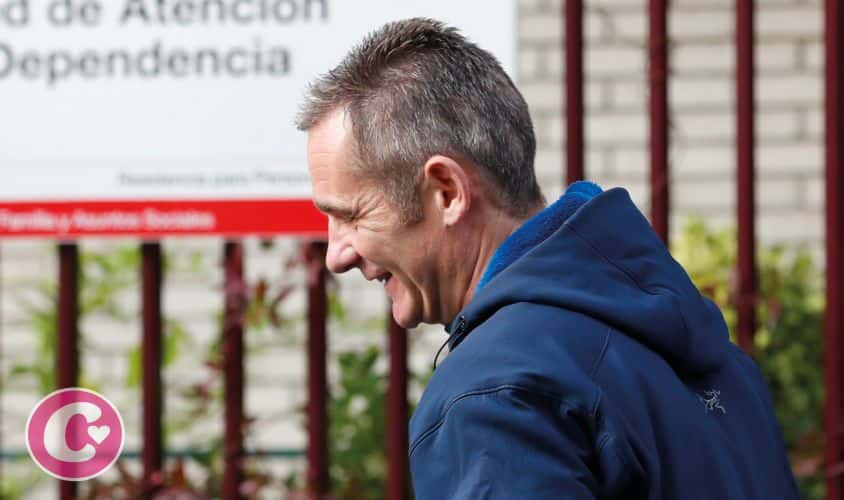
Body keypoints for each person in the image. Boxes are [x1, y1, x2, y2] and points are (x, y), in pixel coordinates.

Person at [296, 17, 801, 500]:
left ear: (447, 191)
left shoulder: (498, 396)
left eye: (352, 215)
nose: (337, 254)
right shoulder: (705, 356)